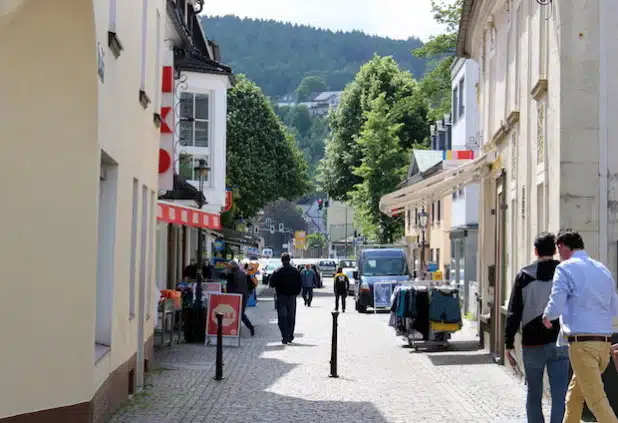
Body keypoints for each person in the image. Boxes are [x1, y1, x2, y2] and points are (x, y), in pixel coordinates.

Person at [542, 229, 618, 423]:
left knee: (597, 402)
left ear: (561, 246)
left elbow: (556, 303)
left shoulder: (565, 268)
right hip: (604, 345)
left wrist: (547, 316)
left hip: (582, 345)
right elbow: (615, 307)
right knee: (574, 398)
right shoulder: (602, 269)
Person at [505, 232, 568, 423]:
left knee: (533, 392)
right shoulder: (564, 272)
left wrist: (508, 343)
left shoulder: (524, 276)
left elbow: (514, 312)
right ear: (555, 250)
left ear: (535, 251)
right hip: (560, 341)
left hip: (532, 344)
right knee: (559, 394)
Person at [269, 252, 302, 344]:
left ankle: (285, 336)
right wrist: (296, 292)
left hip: (281, 296)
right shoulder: (295, 271)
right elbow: (300, 283)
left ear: (281, 260)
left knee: (282, 317)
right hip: (292, 297)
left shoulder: (278, 271)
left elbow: (271, 283)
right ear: (289, 260)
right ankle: (290, 335)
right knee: (291, 317)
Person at [225, 260, 255, 336]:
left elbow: (233, 288)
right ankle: (236, 330)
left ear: (232, 268)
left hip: (239, 297)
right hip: (243, 296)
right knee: (239, 314)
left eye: (229, 267)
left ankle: (250, 327)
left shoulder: (234, 275)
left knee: (239, 314)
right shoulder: (241, 273)